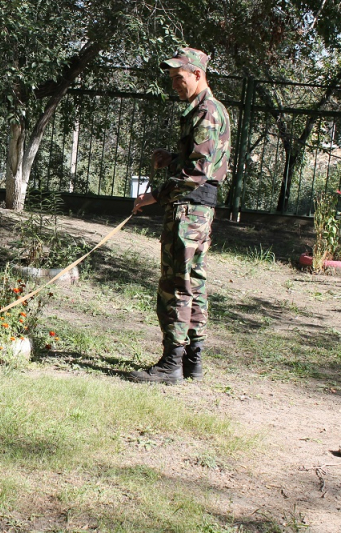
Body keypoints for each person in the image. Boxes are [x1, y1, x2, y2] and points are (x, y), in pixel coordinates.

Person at [129, 47, 231, 384]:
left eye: (179, 77)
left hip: (189, 210)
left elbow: (197, 173)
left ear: (198, 74)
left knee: (177, 284)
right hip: (196, 209)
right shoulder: (203, 111)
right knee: (194, 283)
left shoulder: (207, 112)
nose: (174, 83)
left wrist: (154, 196)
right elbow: (199, 161)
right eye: (172, 78)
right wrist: (171, 158)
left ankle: (171, 363)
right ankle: (192, 360)